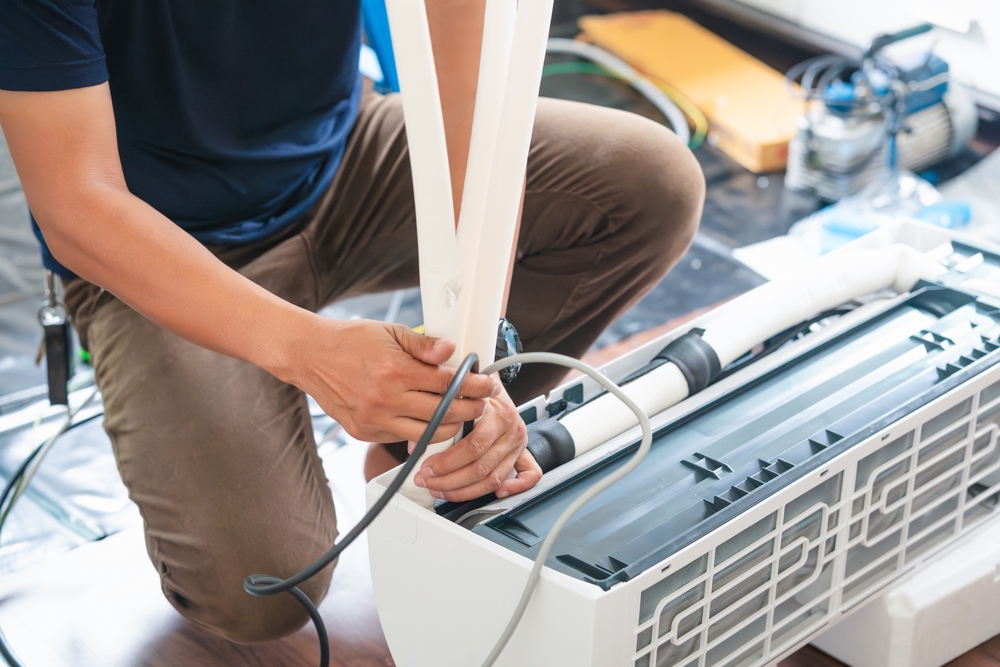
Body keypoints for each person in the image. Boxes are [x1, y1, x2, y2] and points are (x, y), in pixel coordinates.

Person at [0, 0, 704, 645]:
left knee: (649, 183)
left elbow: (465, 102)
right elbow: (77, 205)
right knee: (265, 590)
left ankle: (428, 449)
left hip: (342, 160)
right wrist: (307, 350)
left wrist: (475, 348)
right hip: (157, 235)